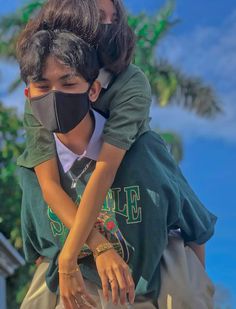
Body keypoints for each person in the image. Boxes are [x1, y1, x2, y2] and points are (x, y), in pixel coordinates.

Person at [18, 29, 216, 309]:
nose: (55, 96)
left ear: (93, 89)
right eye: (42, 85)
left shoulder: (143, 153)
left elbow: (196, 230)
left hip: (152, 289)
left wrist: (186, 291)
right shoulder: (33, 175)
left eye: (68, 83)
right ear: (28, 95)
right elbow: (41, 251)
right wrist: (89, 254)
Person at [17, 0, 151, 305]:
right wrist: (85, 251)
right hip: (69, 211)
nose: (108, 24)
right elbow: (48, 184)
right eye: (98, 13)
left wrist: (78, 254)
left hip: (127, 194)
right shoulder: (40, 88)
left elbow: (106, 168)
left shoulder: (131, 83)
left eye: (113, 18)